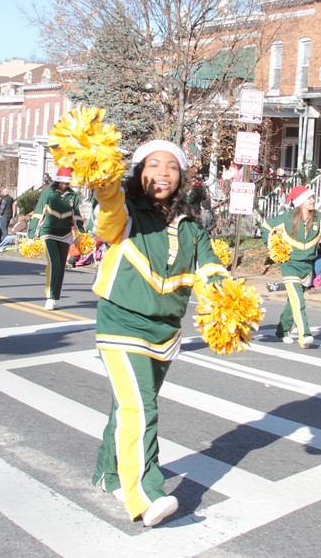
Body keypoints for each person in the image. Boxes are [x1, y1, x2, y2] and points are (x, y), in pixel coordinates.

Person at [90, 139, 229, 528]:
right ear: (138, 173)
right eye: (153, 165)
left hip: (165, 330)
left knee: (128, 405)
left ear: (182, 176)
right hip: (122, 322)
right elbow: (107, 215)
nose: (163, 173)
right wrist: (103, 182)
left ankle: (109, 473)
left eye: (171, 166)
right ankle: (146, 493)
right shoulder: (126, 210)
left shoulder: (192, 228)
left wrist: (223, 300)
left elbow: (210, 269)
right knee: (141, 407)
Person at [258, 186, 321, 348]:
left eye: (313, 197)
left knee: (293, 299)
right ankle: (305, 334)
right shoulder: (287, 219)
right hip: (289, 264)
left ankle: (283, 329)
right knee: (298, 299)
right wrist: (273, 247)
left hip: (307, 266)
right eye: (308, 198)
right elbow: (266, 227)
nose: (312, 200)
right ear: (300, 202)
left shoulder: (319, 219)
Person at [28, 167, 86, 310]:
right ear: (58, 181)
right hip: (48, 232)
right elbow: (38, 213)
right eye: (63, 183)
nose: (65, 185)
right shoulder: (48, 193)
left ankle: (55, 298)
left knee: (61, 268)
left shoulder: (72, 196)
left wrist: (82, 235)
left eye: (67, 183)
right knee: (54, 264)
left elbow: (77, 217)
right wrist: (31, 235)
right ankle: (49, 296)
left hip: (65, 234)